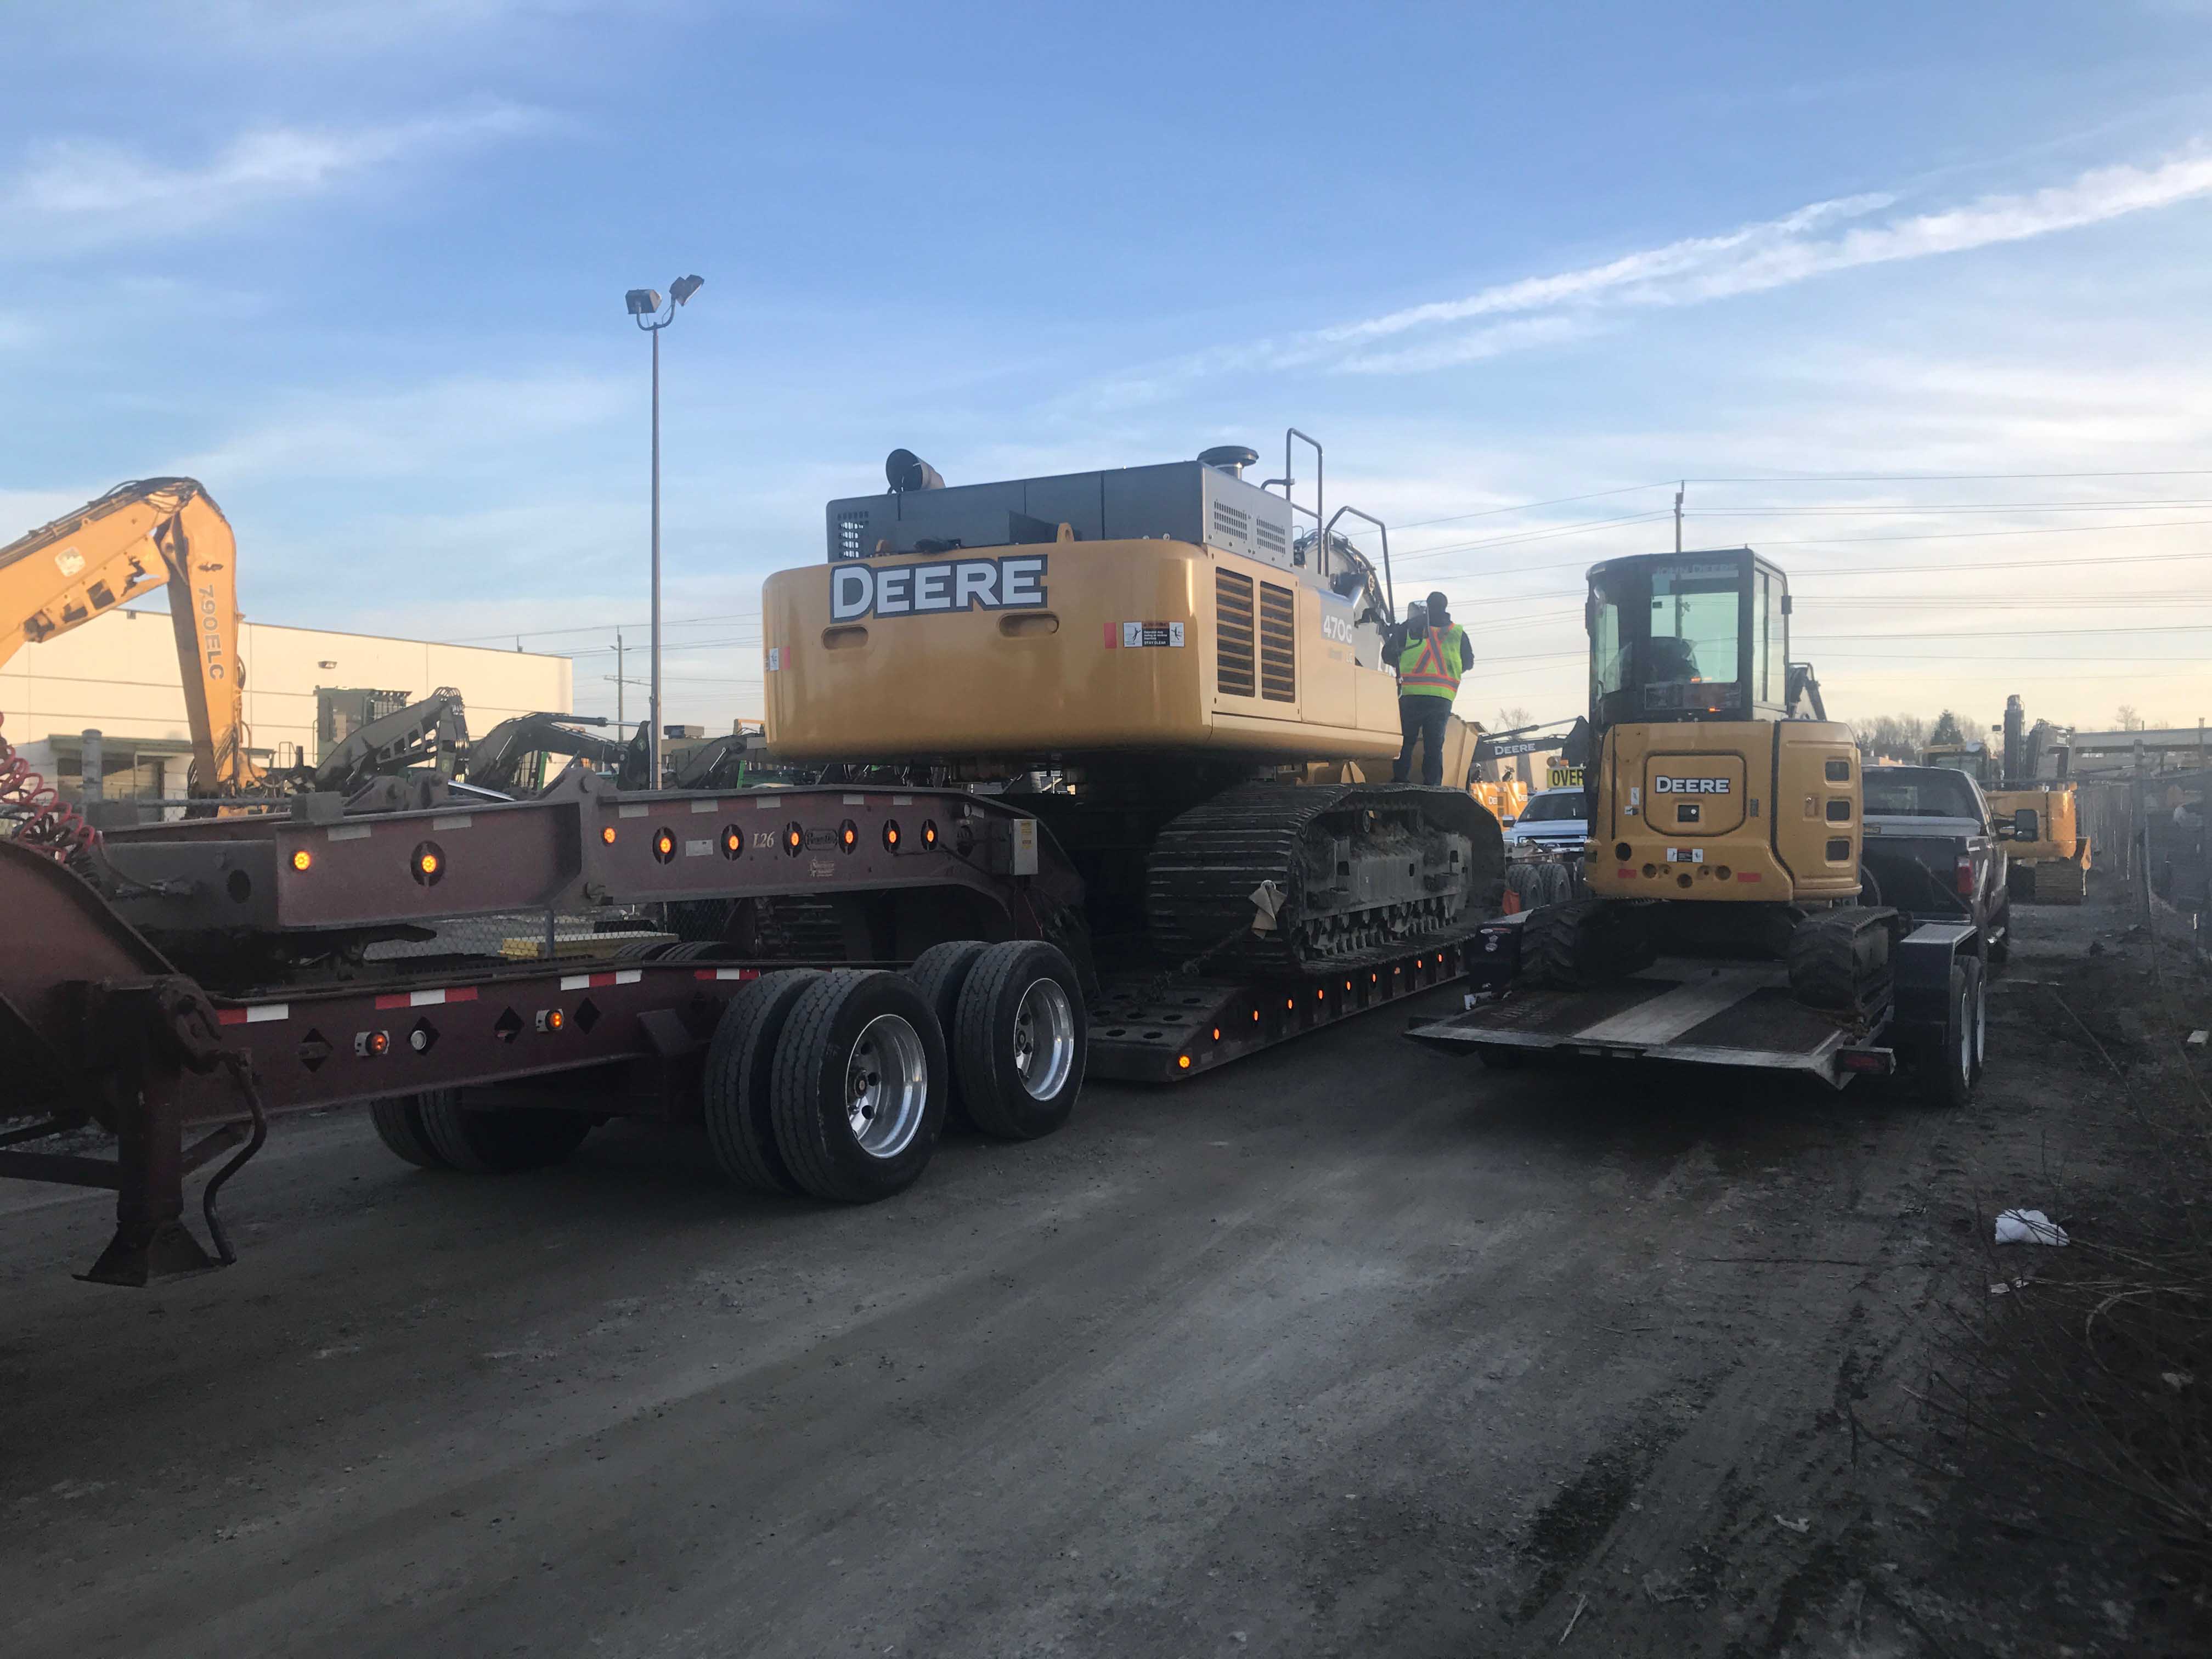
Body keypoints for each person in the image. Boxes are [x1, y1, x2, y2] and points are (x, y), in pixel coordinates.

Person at [1391, 589, 1470, 786]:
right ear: (1445, 607)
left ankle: (1401, 779)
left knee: (1406, 741)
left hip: (1411, 695)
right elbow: (1469, 662)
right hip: (1442, 697)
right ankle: (1433, 782)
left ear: (1426, 606)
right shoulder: (1457, 633)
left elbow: (1387, 654)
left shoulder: (1409, 627)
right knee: (1434, 745)